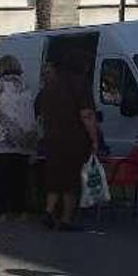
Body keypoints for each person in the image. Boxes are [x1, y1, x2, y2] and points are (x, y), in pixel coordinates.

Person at [35, 56, 97, 231]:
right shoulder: (81, 85)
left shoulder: (50, 86)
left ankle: (48, 212)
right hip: (74, 139)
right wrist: (94, 138)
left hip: (52, 138)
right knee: (71, 181)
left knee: (54, 177)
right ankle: (66, 220)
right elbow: (87, 115)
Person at [0, 56, 40, 220]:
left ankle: (0, 211)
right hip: (24, 139)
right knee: (19, 177)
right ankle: (18, 210)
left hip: (0, 138)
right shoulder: (26, 86)